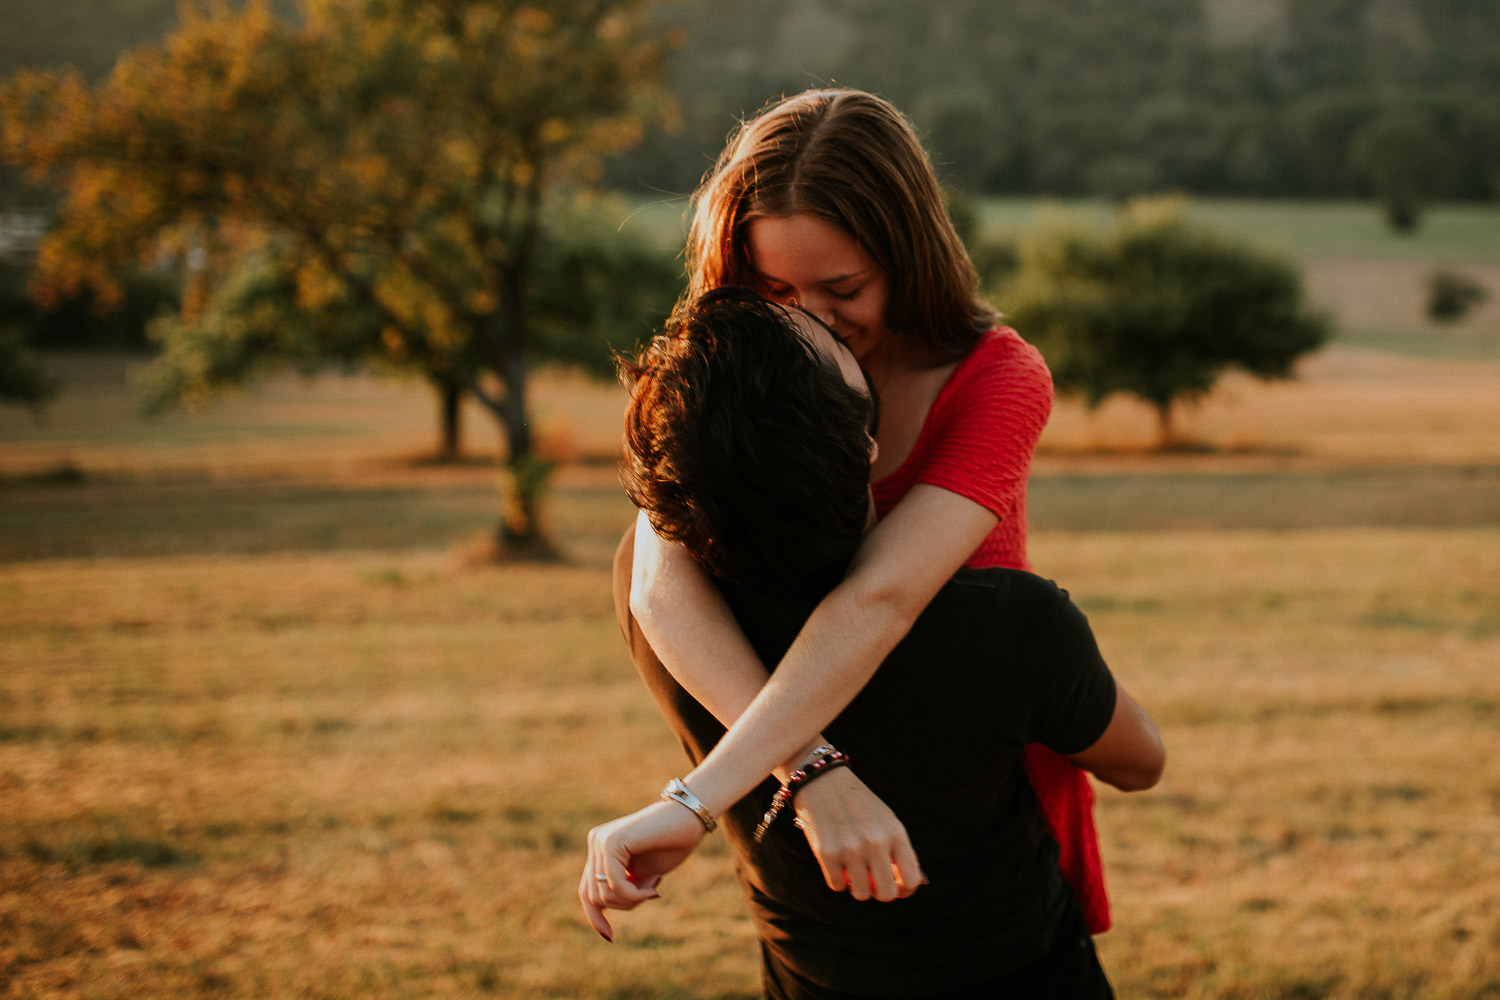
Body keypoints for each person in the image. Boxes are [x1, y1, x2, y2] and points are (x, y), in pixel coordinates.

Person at [618, 87, 1112, 927]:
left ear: (908, 256)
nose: (810, 321)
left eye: (841, 287)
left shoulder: (996, 377)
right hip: (792, 758)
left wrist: (733, 785)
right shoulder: (726, 369)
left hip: (970, 761)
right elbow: (657, 581)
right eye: (772, 287)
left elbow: (882, 596)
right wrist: (809, 771)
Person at [581, 288, 1164, 998]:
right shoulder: (1011, 627)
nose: (831, 321)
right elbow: (1139, 764)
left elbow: (656, 534)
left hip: (808, 981)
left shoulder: (657, 608)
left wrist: (783, 773)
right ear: (867, 446)